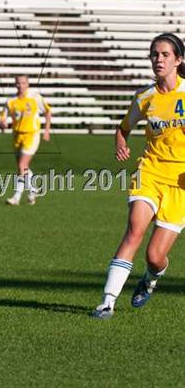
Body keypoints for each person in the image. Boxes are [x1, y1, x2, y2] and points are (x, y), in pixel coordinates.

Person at [93, 32, 185, 319]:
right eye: (154, 54)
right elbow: (123, 128)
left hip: (180, 183)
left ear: (179, 59)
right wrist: (120, 141)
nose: (158, 59)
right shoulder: (145, 97)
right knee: (134, 230)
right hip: (151, 171)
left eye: (165, 54)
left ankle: (151, 278)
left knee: (155, 256)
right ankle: (107, 302)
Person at [0, 75, 52, 205]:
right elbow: (2, 117)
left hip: (32, 134)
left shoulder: (35, 97)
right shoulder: (11, 101)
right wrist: (2, 123)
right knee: (22, 167)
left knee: (22, 166)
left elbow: (48, 112)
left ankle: (16, 197)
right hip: (17, 135)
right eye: (18, 83)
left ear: (27, 84)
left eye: (23, 83)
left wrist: (46, 130)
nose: (20, 85)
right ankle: (34, 189)